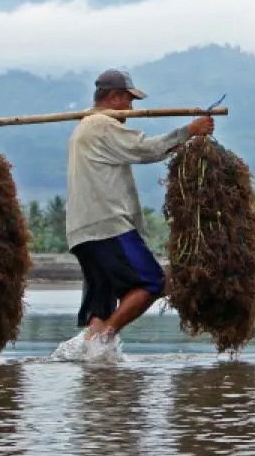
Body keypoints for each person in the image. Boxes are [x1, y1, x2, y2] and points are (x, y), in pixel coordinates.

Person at [65, 68, 214, 342]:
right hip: (106, 226)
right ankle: (104, 340)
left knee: (101, 303)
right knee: (152, 283)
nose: (131, 108)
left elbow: (144, 150)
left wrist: (179, 143)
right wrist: (189, 131)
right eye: (129, 100)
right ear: (113, 97)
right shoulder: (100, 124)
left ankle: (93, 360)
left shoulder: (84, 128)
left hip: (82, 232)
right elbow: (146, 149)